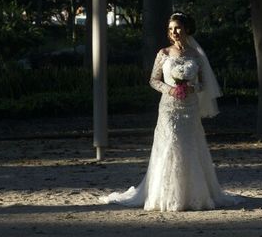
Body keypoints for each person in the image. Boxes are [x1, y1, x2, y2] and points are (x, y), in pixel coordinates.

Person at [101, 12, 242, 211]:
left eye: (177, 27)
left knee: (189, 145)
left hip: (190, 106)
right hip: (168, 107)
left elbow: (203, 83)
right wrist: (170, 89)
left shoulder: (196, 55)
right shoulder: (164, 53)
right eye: (170, 29)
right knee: (169, 144)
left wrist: (192, 88)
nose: (174, 32)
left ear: (186, 29)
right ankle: (165, 194)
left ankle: (192, 195)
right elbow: (153, 80)